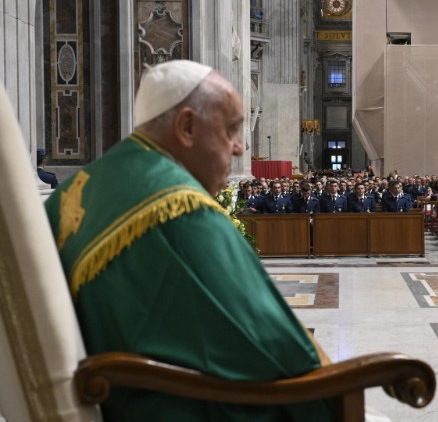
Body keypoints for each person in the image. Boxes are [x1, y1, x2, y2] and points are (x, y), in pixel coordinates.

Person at [44, 61, 333, 421]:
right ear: (186, 127)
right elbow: (272, 347)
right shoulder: (180, 209)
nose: (240, 148)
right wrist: (335, 388)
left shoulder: (77, 190)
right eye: (231, 130)